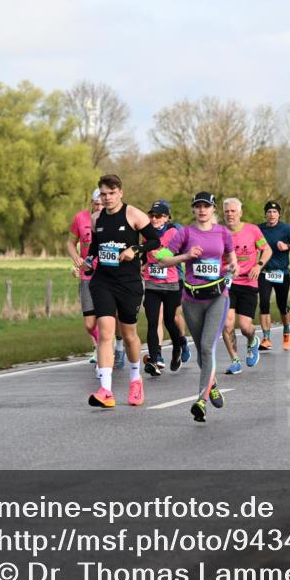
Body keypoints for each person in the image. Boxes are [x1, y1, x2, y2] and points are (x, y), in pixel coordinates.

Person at [154, 192, 237, 422]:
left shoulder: (223, 232)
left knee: (207, 347)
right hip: (191, 300)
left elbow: (232, 259)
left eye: (206, 206)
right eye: (198, 206)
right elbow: (162, 259)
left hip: (218, 297)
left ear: (213, 209)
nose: (202, 210)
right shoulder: (185, 233)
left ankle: (201, 401)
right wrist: (185, 256)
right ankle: (212, 384)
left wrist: (232, 268)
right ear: (193, 209)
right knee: (202, 351)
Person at [83, 174, 160, 408]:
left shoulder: (134, 214)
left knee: (128, 335)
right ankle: (105, 390)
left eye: (111, 193)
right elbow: (95, 247)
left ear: (120, 193)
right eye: (103, 194)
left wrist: (134, 249)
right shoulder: (96, 219)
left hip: (129, 283)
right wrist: (88, 261)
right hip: (103, 281)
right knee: (105, 333)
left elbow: (154, 240)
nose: (107, 198)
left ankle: (135, 379)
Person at [141, 200, 189, 375]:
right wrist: (143, 264)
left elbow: (181, 254)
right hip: (152, 284)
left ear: (167, 217)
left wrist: (161, 255)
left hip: (171, 284)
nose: (154, 219)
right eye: (151, 215)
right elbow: (145, 256)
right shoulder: (146, 233)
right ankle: (154, 360)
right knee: (153, 322)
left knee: (170, 321)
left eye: (158, 216)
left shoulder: (174, 232)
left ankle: (178, 347)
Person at [221, 197, 268, 374]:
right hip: (228, 282)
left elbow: (267, 249)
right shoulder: (220, 233)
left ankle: (252, 340)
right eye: (227, 211)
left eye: (233, 211)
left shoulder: (252, 230)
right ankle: (235, 360)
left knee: (245, 326)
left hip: (248, 282)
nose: (230, 214)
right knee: (227, 324)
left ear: (240, 212)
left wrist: (258, 265)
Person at [258, 201, 290, 350]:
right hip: (264, 272)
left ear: (279, 214)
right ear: (265, 214)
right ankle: (266, 338)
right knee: (264, 303)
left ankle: (286, 332)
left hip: (281, 273)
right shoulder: (259, 229)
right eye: (269, 212)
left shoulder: (285, 228)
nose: (272, 215)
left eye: (274, 212)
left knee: (282, 305)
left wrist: (288, 246)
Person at [67, 189, 103, 365]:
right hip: (87, 275)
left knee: (106, 317)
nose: (99, 207)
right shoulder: (80, 218)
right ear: (91, 203)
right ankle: (102, 345)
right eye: (96, 204)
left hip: (107, 275)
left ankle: (106, 348)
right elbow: (70, 242)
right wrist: (76, 259)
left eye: (102, 204)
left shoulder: (114, 218)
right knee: (90, 324)